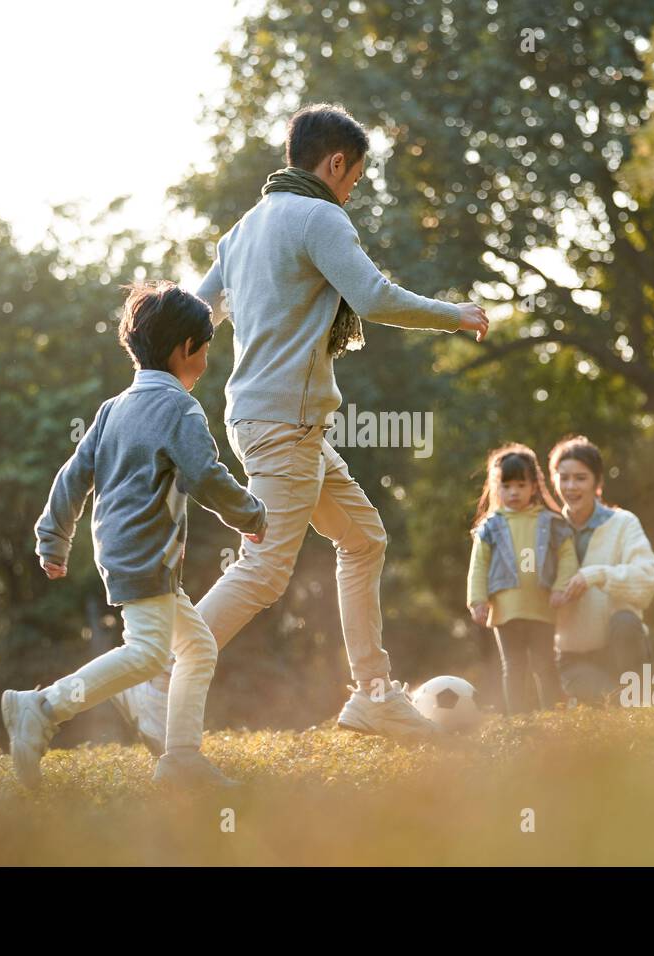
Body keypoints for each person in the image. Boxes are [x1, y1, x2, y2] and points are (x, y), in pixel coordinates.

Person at [113, 102, 490, 744]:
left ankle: (373, 694)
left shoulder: (245, 229)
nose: (352, 193)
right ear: (335, 162)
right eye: (354, 180)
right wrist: (455, 313)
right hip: (284, 423)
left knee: (364, 539)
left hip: (273, 419)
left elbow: (199, 312)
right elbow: (372, 298)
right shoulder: (320, 217)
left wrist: (151, 372)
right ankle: (154, 678)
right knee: (261, 572)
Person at [1, 282, 267, 790]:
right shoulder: (179, 409)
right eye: (206, 351)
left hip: (128, 551)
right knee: (146, 653)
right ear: (185, 348)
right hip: (146, 551)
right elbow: (205, 475)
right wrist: (251, 515)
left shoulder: (111, 409)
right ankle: (43, 707)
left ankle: (182, 757)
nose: (206, 363)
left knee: (198, 647)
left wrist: (52, 538)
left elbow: (71, 476)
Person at [467, 444, 579, 716]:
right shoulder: (491, 526)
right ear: (496, 488)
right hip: (506, 609)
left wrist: (561, 587)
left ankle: (555, 717)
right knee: (514, 666)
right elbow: (478, 564)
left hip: (541, 606)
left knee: (545, 664)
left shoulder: (550, 522)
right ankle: (518, 721)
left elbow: (567, 557)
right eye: (506, 486)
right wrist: (477, 600)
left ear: (534, 486)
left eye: (520, 484)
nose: (514, 492)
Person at [548, 436, 654, 701]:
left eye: (580, 478)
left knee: (625, 621)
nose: (571, 486)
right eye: (564, 478)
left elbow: (647, 581)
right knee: (608, 702)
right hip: (573, 657)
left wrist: (596, 575)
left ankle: (642, 701)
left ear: (598, 483)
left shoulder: (624, 523)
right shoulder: (547, 530)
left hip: (622, 646)